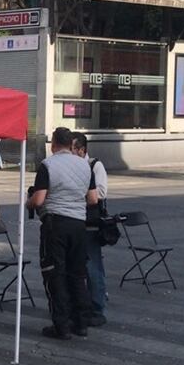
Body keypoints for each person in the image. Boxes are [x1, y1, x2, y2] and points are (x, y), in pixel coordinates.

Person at [26, 127, 98, 340]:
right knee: (77, 273)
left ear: (53, 144)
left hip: (55, 224)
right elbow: (93, 199)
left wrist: (27, 202)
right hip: (79, 225)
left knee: (55, 273)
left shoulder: (48, 165)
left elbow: (38, 200)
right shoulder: (85, 166)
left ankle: (61, 325)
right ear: (71, 144)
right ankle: (81, 322)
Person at [72, 133, 109, 327]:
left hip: (91, 223)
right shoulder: (71, 166)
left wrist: (79, 194)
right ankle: (79, 305)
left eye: (73, 149)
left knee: (93, 266)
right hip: (75, 221)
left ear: (82, 150)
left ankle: (97, 307)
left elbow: (101, 192)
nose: (70, 153)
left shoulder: (95, 165)